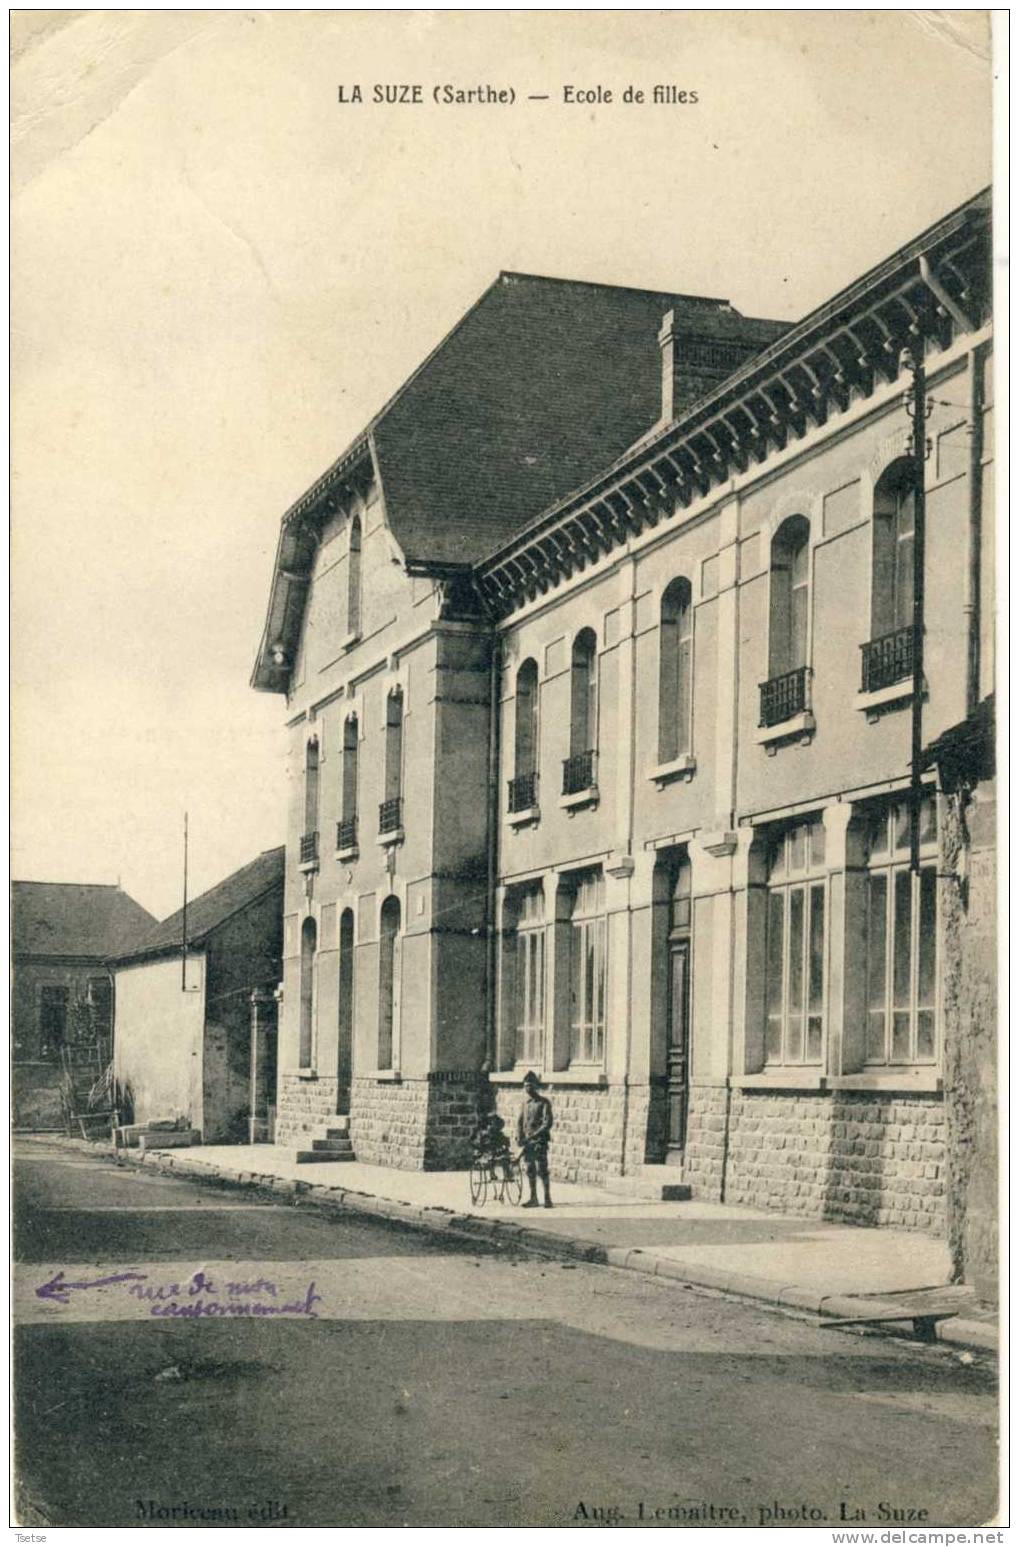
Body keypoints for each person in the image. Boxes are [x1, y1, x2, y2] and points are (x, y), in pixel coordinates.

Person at [517, 1070, 553, 1208]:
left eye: (531, 1085)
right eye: (526, 1085)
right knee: (530, 1169)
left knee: (542, 1169)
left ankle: (547, 1198)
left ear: (536, 1086)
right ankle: (533, 1198)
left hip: (539, 1141)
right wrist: (519, 1136)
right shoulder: (525, 1104)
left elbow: (547, 1123)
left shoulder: (544, 1103)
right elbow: (520, 1121)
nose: (528, 1088)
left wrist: (535, 1135)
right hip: (527, 1142)